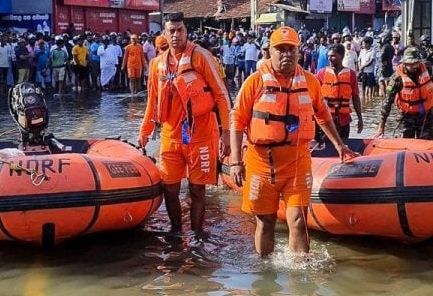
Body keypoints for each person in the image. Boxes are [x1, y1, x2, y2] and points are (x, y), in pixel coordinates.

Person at [228, 26, 357, 256]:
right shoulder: (254, 82)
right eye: (281, 49)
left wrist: (339, 145)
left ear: (299, 52)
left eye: (291, 49)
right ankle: (265, 277)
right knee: (265, 222)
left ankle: (300, 283)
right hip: (261, 163)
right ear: (270, 51)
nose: (287, 54)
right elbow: (237, 122)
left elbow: (323, 115)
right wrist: (236, 161)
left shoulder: (309, 81)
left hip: (297, 161)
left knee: (297, 220)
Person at [138, 14, 232, 235]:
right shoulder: (156, 65)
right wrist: (144, 132)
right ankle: (176, 232)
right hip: (171, 136)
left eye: (180, 30)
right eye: (171, 30)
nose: (176, 35)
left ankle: (198, 234)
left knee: (197, 190)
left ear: (186, 31)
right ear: (164, 33)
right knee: (169, 188)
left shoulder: (201, 57)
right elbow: (152, 101)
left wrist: (226, 133)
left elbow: (221, 95)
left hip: (201, 134)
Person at [376, 47, 433, 139]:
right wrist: (381, 126)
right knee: (405, 140)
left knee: (427, 141)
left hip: (426, 115)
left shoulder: (428, 69)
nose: (414, 66)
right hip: (407, 115)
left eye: (416, 63)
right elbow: (388, 102)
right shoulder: (397, 79)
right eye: (410, 64)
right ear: (404, 63)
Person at [314, 43, 363, 142]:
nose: (329, 58)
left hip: (343, 120)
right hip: (325, 119)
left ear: (342, 56)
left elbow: (355, 97)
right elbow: (313, 97)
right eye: (328, 56)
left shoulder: (351, 75)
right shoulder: (321, 73)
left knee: (343, 146)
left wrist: (360, 119)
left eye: (333, 56)